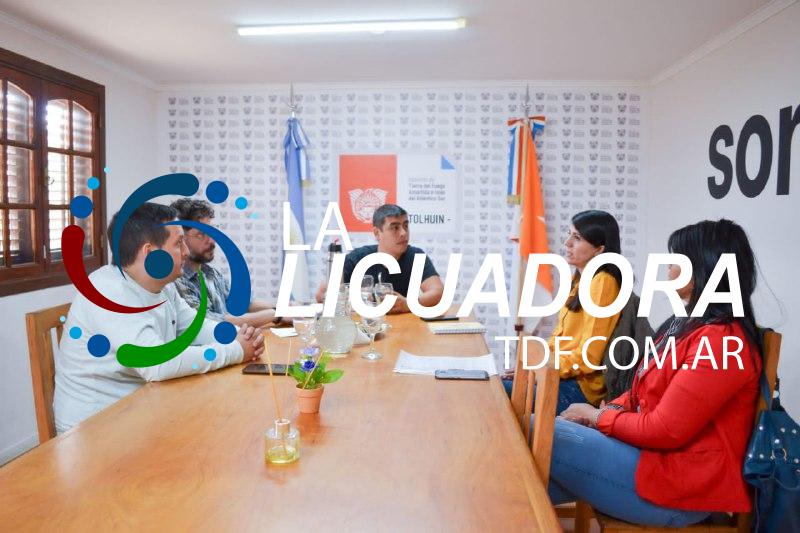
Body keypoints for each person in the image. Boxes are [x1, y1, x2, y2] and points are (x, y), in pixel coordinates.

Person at [551, 219, 762, 527]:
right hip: (651, 461)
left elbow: (664, 429)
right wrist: (607, 412)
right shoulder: (688, 325)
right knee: (529, 463)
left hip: (679, 490)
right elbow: (638, 392)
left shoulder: (722, 342)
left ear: (703, 269)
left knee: (539, 435)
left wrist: (598, 417)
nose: (668, 267)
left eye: (676, 260)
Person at [54, 202, 263, 433]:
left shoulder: (163, 286)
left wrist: (241, 336)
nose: (186, 251)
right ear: (151, 253)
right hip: (95, 429)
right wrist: (235, 350)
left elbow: (194, 327)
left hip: (142, 408)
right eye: (178, 243)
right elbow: (157, 364)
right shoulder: (108, 292)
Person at [504, 210, 623, 413]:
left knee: (500, 391)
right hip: (560, 375)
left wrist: (539, 370)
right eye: (569, 234)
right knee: (499, 385)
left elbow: (588, 356)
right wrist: (533, 367)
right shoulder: (580, 279)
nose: (567, 243)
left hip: (580, 387)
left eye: (577, 238)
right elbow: (559, 339)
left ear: (599, 249)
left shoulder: (603, 282)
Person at [170, 198, 284, 327]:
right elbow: (210, 322)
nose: (212, 241)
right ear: (181, 238)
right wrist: (276, 314)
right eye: (201, 234)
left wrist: (282, 307)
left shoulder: (211, 273)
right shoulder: (176, 280)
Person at [315, 204, 444, 314]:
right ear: (377, 233)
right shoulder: (358, 257)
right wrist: (357, 298)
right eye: (395, 228)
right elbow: (322, 294)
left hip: (404, 328)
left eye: (405, 226)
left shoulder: (416, 256)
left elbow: (438, 292)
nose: (403, 233)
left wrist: (408, 304)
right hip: (367, 326)